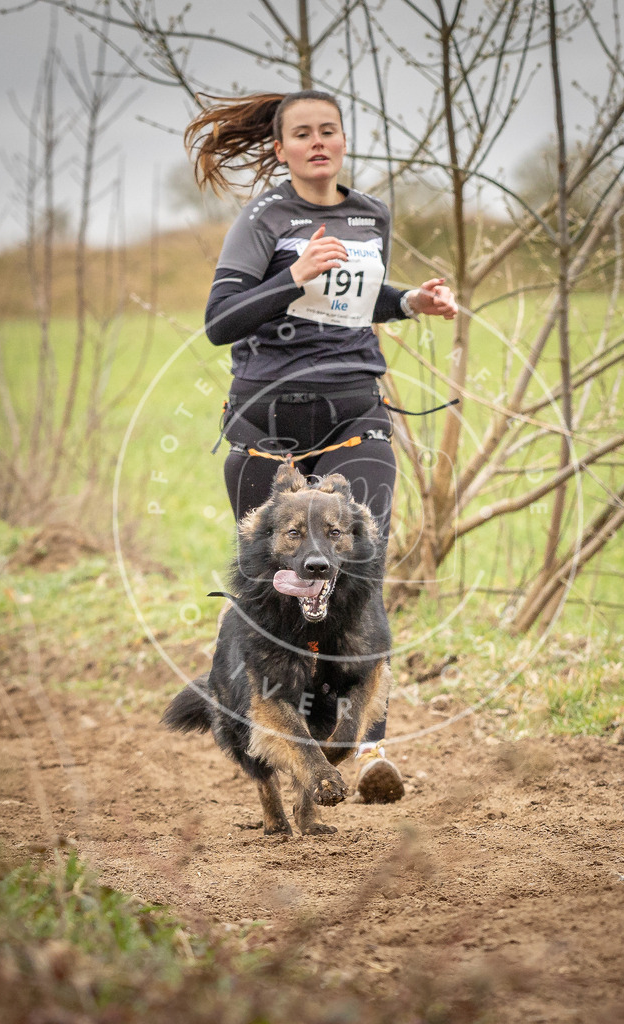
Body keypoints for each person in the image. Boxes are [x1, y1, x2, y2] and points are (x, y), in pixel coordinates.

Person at [186, 89, 457, 803]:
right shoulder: (262, 218)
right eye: (300, 134)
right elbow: (220, 320)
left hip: (354, 407)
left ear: (342, 140)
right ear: (279, 149)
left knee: (357, 566)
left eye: (327, 131)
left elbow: (351, 298)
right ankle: (270, 727)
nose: (316, 142)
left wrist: (407, 303)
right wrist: (290, 276)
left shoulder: (370, 213)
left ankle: (367, 746)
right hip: (264, 417)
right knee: (268, 580)